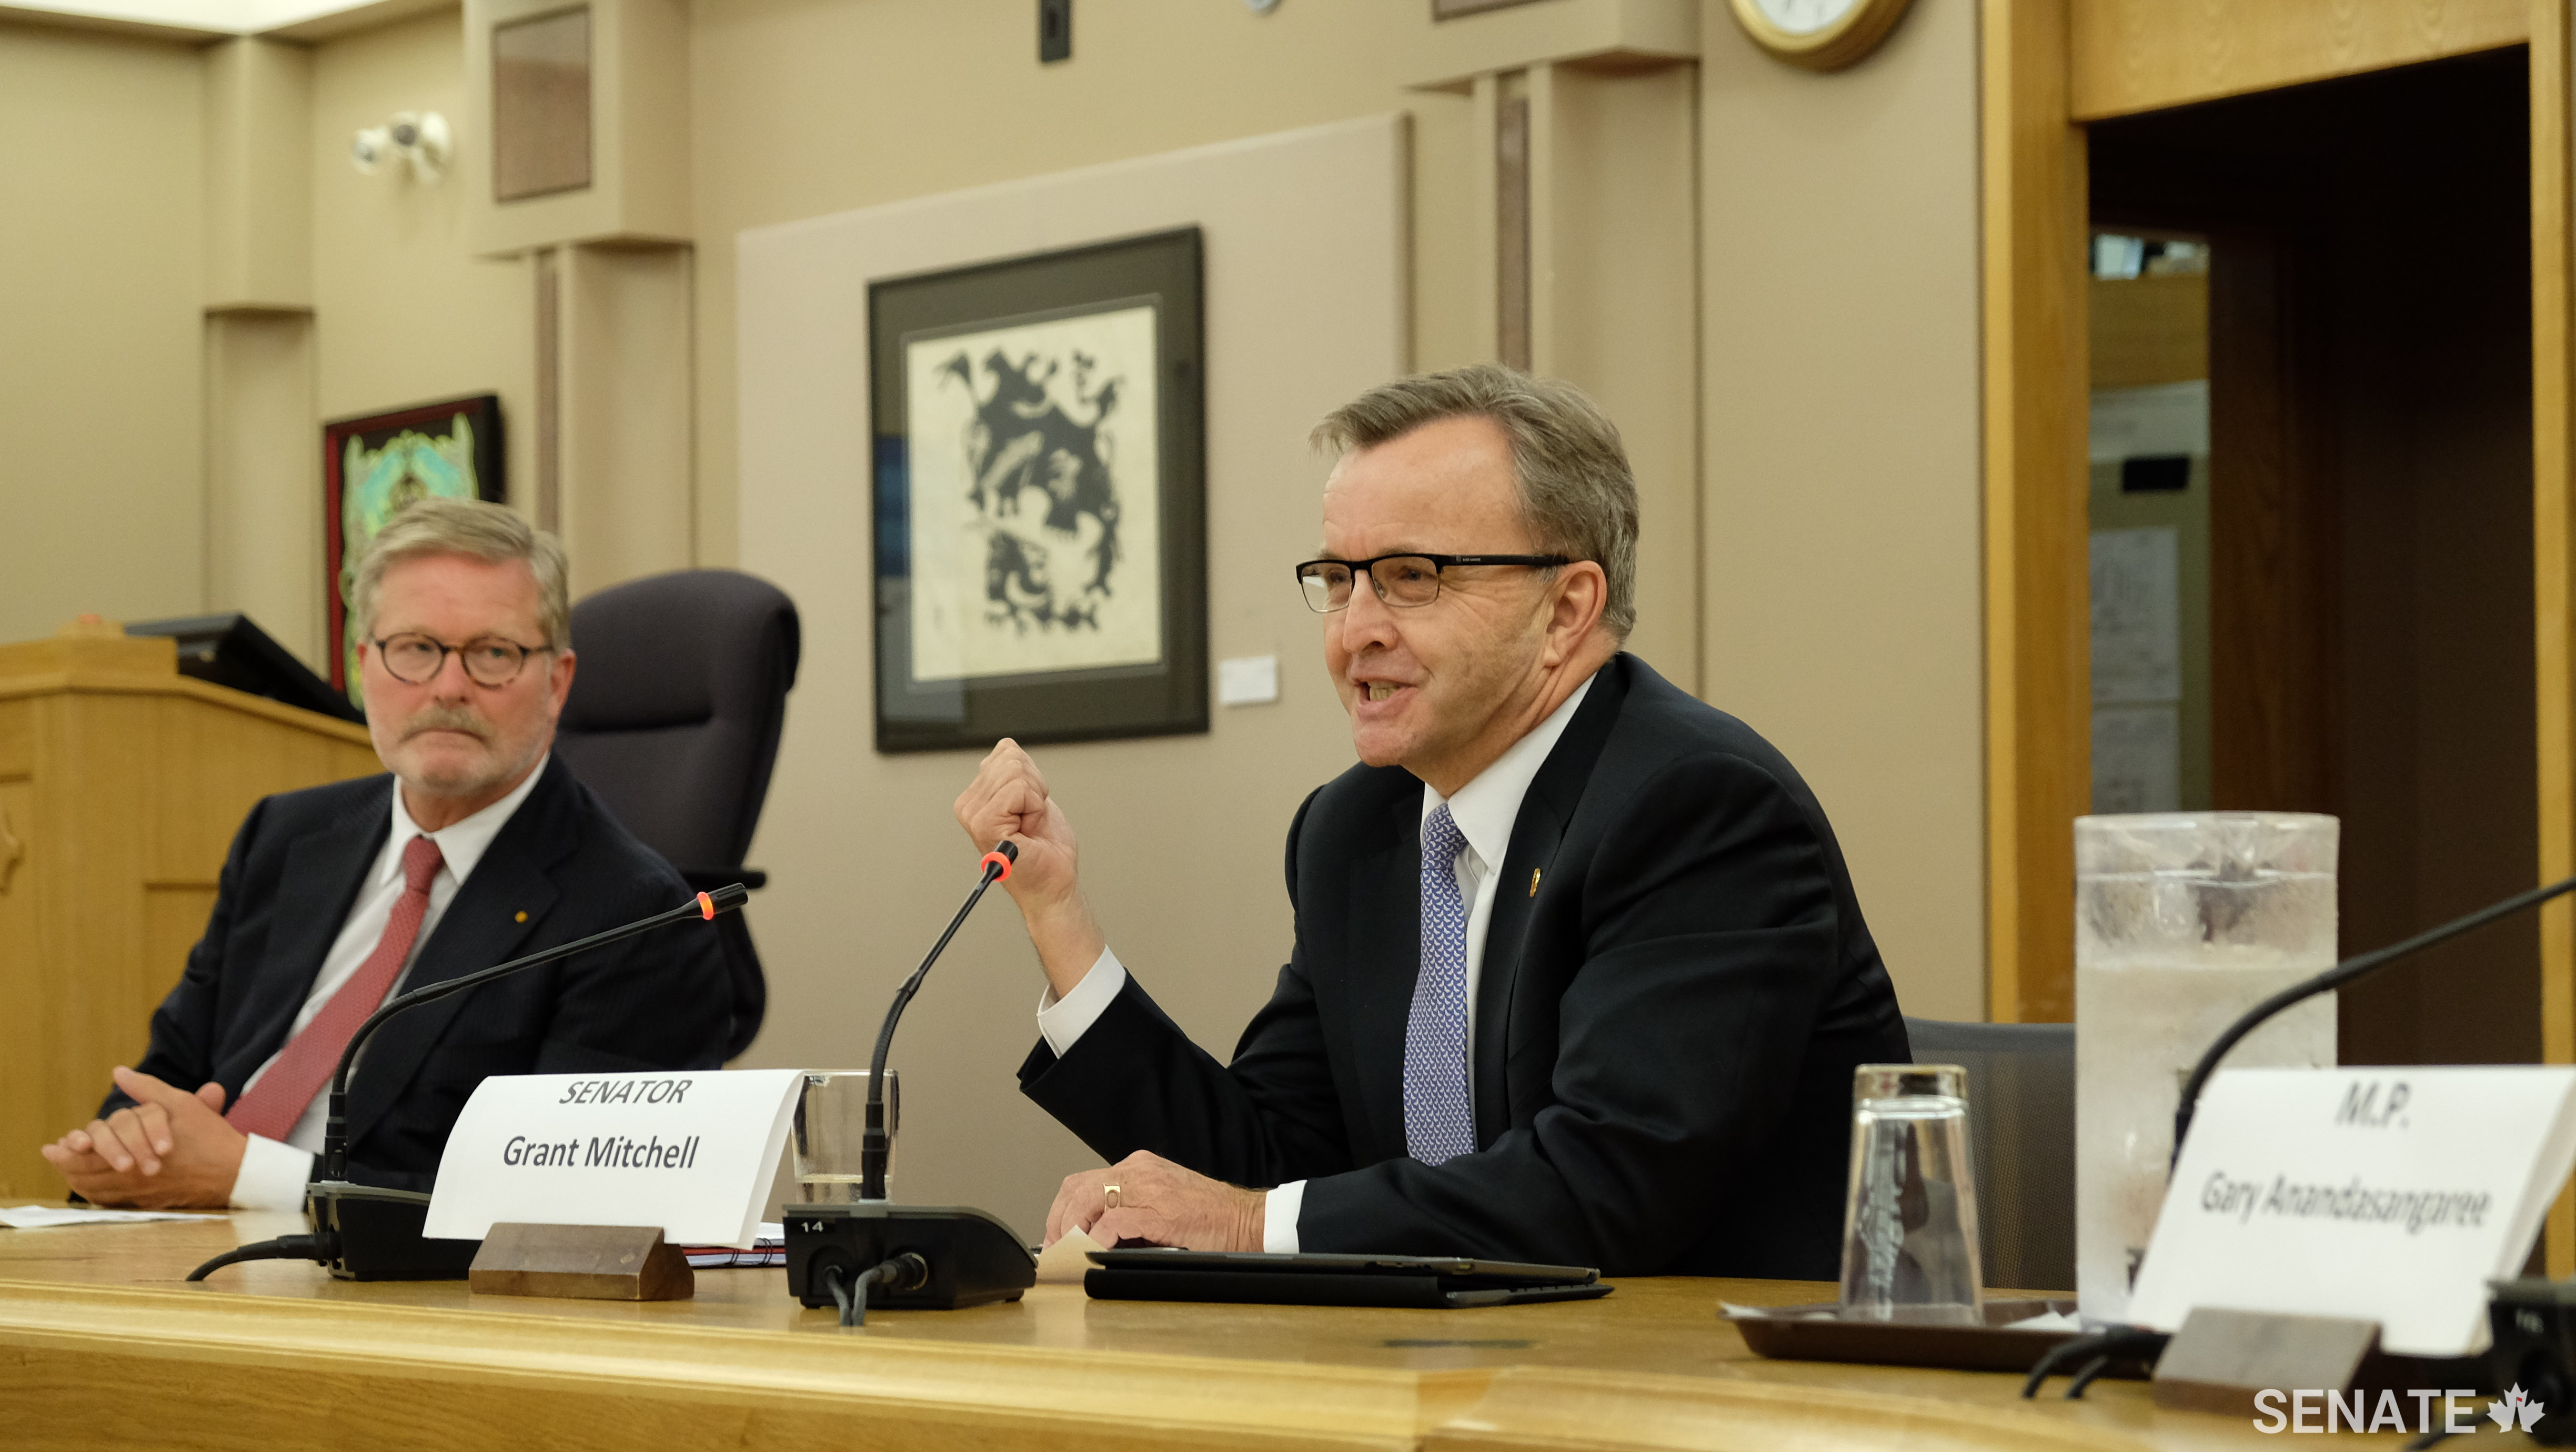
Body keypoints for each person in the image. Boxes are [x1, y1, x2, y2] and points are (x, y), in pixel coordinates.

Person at [954, 365, 1909, 1278]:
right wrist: (1059, 916)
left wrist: (1248, 1220)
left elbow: (1608, 1185)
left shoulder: (1697, 808)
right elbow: (1271, 1157)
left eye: (1410, 577)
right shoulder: (1354, 830)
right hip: (1457, 1376)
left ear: (1567, 607)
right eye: (1339, 578)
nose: (1354, 629)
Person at [39, 498, 730, 1209]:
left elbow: (565, 1213)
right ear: (365, 664)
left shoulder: (638, 917)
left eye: (493, 654)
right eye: (416, 649)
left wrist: (247, 1179)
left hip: (388, 1302)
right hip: (173, 1250)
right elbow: (166, 1077)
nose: (449, 687)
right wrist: (128, 1144)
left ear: (556, 683)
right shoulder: (286, 837)